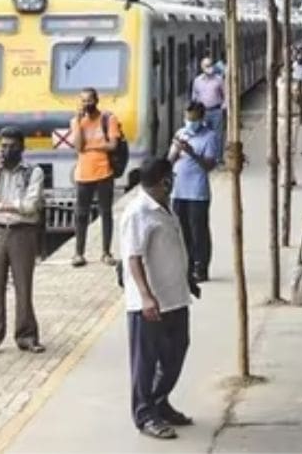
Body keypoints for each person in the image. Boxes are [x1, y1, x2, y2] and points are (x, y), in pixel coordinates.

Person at [121, 157, 195, 440]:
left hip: (176, 295)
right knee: (146, 361)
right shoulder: (137, 212)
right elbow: (133, 258)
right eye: (171, 177)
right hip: (150, 302)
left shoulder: (165, 206)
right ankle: (145, 414)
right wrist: (145, 296)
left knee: (176, 351)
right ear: (164, 181)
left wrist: (187, 279)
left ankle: (159, 401)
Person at [0, 127, 45, 357]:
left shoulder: (33, 172)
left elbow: (31, 205)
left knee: (23, 286)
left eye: (12, 146)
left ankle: (27, 336)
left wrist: (7, 206)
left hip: (22, 233)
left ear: (22, 147)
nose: (7, 151)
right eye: (3, 146)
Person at [71, 87, 121, 267]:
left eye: (89, 100)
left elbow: (113, 145)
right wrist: (78, 123)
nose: (86, 104)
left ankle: (106, 252)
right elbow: (78, 147)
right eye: (83, 101)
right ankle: (79, 253)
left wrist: (91, 147)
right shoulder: (76, 121)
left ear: (96, 100)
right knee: (81, 214)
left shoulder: (109, 119)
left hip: (104, 172)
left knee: (105, 213)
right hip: (83, 174)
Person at [168, 101, 218, 282]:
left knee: (199, 231)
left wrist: (191, 153)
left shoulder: (209, 137)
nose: (190, 123)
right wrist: (176, 151)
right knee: (182, 231)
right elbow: (169, 161)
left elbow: (209, 165)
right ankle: (187, 265)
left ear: (201, 119)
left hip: (197, 192)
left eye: (194, 119)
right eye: (188, 118)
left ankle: (201, 267)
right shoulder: (180, 133)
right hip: (178, 191)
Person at [191, 58, 227, 162]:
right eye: (207, 66)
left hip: (216, 111)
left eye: (211, 65)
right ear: (202, 67)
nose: (209, 67)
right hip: (203, 112)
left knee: (218, 135)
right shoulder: (197, 81)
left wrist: (224, 106)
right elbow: (194, 96)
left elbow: (226, 94)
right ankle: (205, 158)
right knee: (203, 135)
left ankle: (218, 158)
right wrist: (195, 110)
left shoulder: (219, 79)